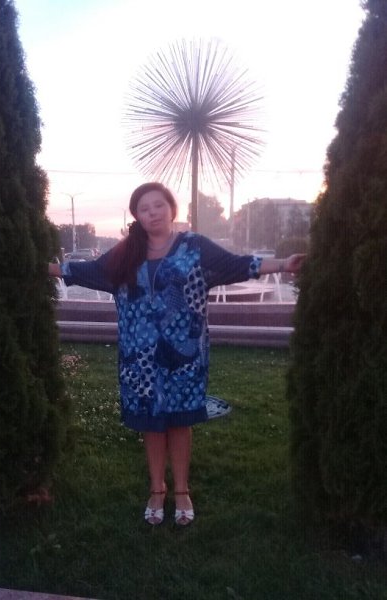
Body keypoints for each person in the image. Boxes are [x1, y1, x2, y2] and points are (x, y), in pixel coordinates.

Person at [49, 182, 305, 526]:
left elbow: (238, 264)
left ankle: (182, 490)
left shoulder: (194, 247)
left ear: (172, 208)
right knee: (152, 423)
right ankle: (157, 489)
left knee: (180, 422)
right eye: (144, 209)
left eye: (158, 205)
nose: (152, 213)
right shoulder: (125, 253)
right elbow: (87, 270)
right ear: (137, 216)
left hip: (185, 357)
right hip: (140, 358)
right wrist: (41, 266)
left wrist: (284, 264)